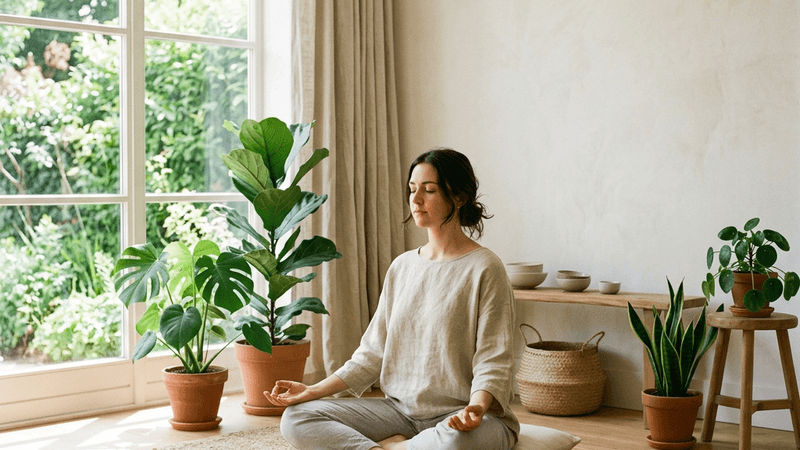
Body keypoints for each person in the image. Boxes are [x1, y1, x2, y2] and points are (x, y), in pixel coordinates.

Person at [267, 148, 519, 450]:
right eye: (412, 190)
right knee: (297, 417)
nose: (416, 200)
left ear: (460, 196)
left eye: (429, 190)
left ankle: (397, 446)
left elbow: (494, 358)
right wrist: (313, 391)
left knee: (454, 443)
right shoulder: (403, 267)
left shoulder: (485, 268)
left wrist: (476, 409)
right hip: (399, 412)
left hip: (464, 417)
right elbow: (371, 354)